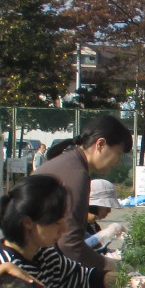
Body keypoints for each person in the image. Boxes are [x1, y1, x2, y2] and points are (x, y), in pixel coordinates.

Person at [36, 116, 134, 274]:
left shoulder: (70, 163)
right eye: (118, 153)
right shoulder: (76, 174)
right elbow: (70, 244)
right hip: (34, 269)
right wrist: (113, 266)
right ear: (100, 144)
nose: (118, 161)